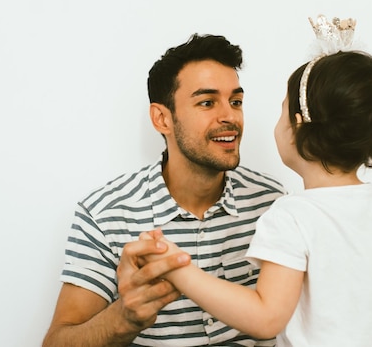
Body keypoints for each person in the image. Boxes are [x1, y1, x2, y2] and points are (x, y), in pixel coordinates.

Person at [140, 16, 372, 346]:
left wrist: (179, 270)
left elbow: (266, 318)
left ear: (297, 127)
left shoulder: (290, 215)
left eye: (282, 112)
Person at [42, 33, 287, 347]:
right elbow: (56, 342)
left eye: (236, 101)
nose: (229, 116)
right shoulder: (105, 214)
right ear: (162, 119)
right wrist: (123, 318)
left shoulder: (272, 202)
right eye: (207, 102)